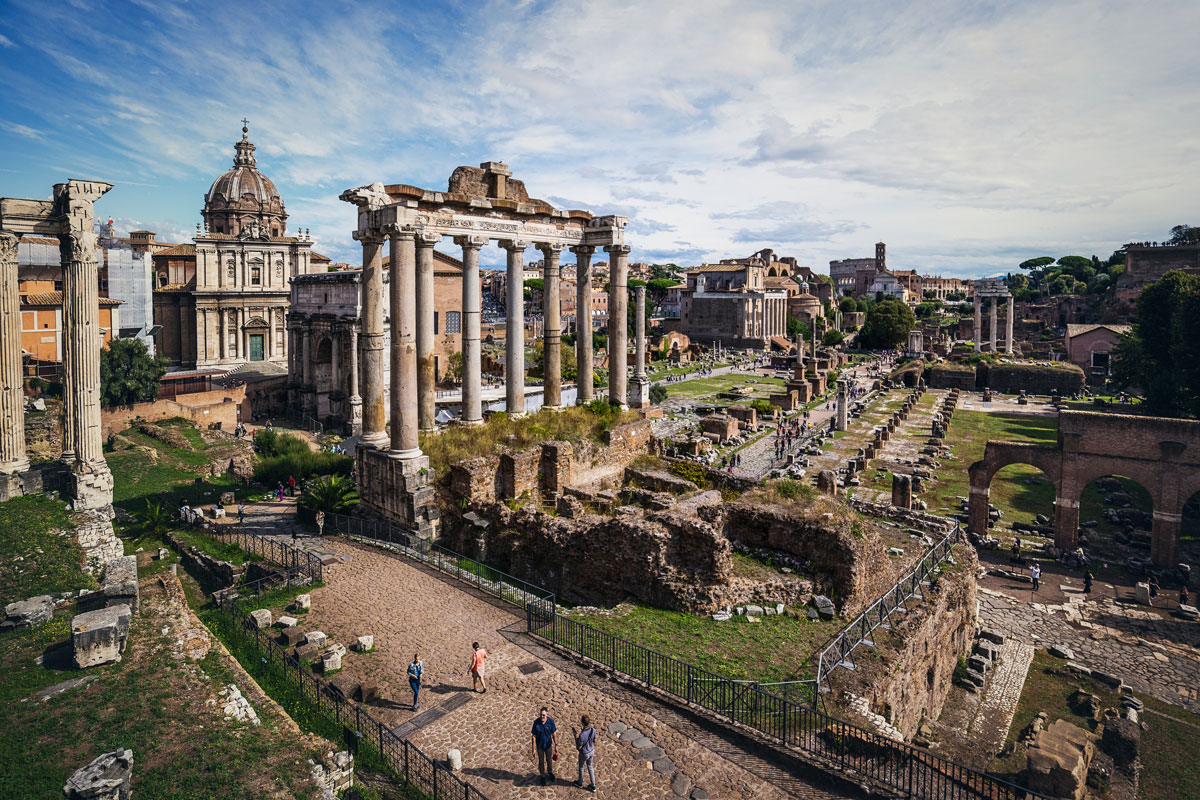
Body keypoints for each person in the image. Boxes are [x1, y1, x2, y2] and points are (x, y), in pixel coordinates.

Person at [531, 706, 559, 786]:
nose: (542, 716)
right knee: (541, 761)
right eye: (541, 715)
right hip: (540, 746)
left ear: (547, 715)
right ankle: (542, 775)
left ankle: (550, 772)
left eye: (543, 715)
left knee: (549, 760)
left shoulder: (551, 722)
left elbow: (554, 734)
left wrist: (556, 745)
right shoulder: (536, 722)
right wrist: (533, 749)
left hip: (548, 745)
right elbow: (534, 736)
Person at [573, 714, 597, 792]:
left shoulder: (582, 735)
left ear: (582, 723)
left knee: (581, 767)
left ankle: (580, 783)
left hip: (584, 753)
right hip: (591, 751)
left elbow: (579, 747)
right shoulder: (593, 730)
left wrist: (575, 736)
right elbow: (594, 741)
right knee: (590, 767)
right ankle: (593, 786)